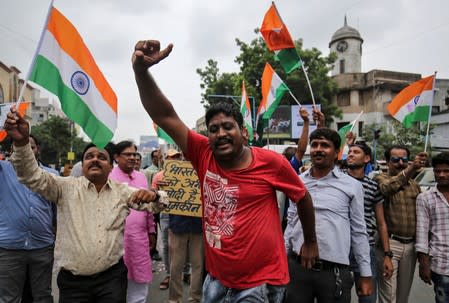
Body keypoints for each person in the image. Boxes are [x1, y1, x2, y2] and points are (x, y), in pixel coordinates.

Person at [132, 39, 318, 303]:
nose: (221, 133)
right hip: (217, 281)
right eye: (214, 129)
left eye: (228, 127)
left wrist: (310, 241)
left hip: (260, 284)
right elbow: (164, 115)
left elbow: (302, 197)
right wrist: (141, 71)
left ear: (243, 132)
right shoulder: (203, 152)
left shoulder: (271, 163)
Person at [4, 106, 167, 303]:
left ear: (110, 166)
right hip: (73, 284)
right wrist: (21, 142)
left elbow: (156, 206)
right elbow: (31, 175)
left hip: (111, 279)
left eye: (101, 157)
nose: (95, 160)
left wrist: (154, 196)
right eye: (89, 156)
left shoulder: (122, 191)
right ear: (82, 165)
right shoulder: (64, 187)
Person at [284, 127, 372, 303]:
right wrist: (281, 261)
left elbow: (359, 231)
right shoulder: (298, 182)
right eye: (314, 144)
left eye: (325, 145)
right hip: (297, 268)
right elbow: (291, 223)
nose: (318, 149)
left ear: (337, 152)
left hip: (334, 272)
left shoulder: (352, 186)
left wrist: (365, 273)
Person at [0, 134, 58, 303]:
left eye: (31, 146)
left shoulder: (51, 175)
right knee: (8, 298)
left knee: (43, 297)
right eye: (20, 146)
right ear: (12, 150)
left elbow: (57, 213)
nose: (27, 150)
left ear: (37, 150)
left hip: (42, 247)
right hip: (9, 247)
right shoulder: (3, 170)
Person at [374, 145, 427, 303]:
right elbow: (387, 189)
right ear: (388, 162)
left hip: (410, 246)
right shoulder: (380, 178)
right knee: (388, 297)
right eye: (395, 159)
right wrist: (410, 169)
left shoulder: (414, 185)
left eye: (404, 159)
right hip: (389, 244)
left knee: (403, 297)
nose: (400, 163)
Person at [153, 148, 204, 303]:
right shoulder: (169, 174)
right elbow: (160, 199)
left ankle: (194, 298)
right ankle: (174, 299)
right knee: (176, 265)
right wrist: (163, 189)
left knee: (198, 265)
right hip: (177, 224)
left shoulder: (204, 171)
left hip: (198, 225)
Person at [346, 141, 394, 303]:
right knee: (337, 295)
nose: (351, 154)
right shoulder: (337, 181)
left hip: (365, 247)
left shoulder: (373, 186)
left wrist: (387, 255)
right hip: (339, 246)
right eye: (349, 151)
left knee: (368, 297)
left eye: (356, 152)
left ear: (367, 158)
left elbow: (381, 223)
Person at [109, 140, 156, 303]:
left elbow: (149, 209)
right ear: (116, 157)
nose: (132, 158)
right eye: (127, 154)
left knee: (139, 286)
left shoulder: (142, 178)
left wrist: (152, 231)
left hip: (139, 240)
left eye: (134, 154)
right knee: (115, 285)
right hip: (115, 241)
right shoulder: (109, 178)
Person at [415, 152, 449, 303]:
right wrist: (424, 265)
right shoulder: (425, 198)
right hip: (441, 265)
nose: (441, 175)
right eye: (437, 171)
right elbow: (422, 233)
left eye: (446, 171)